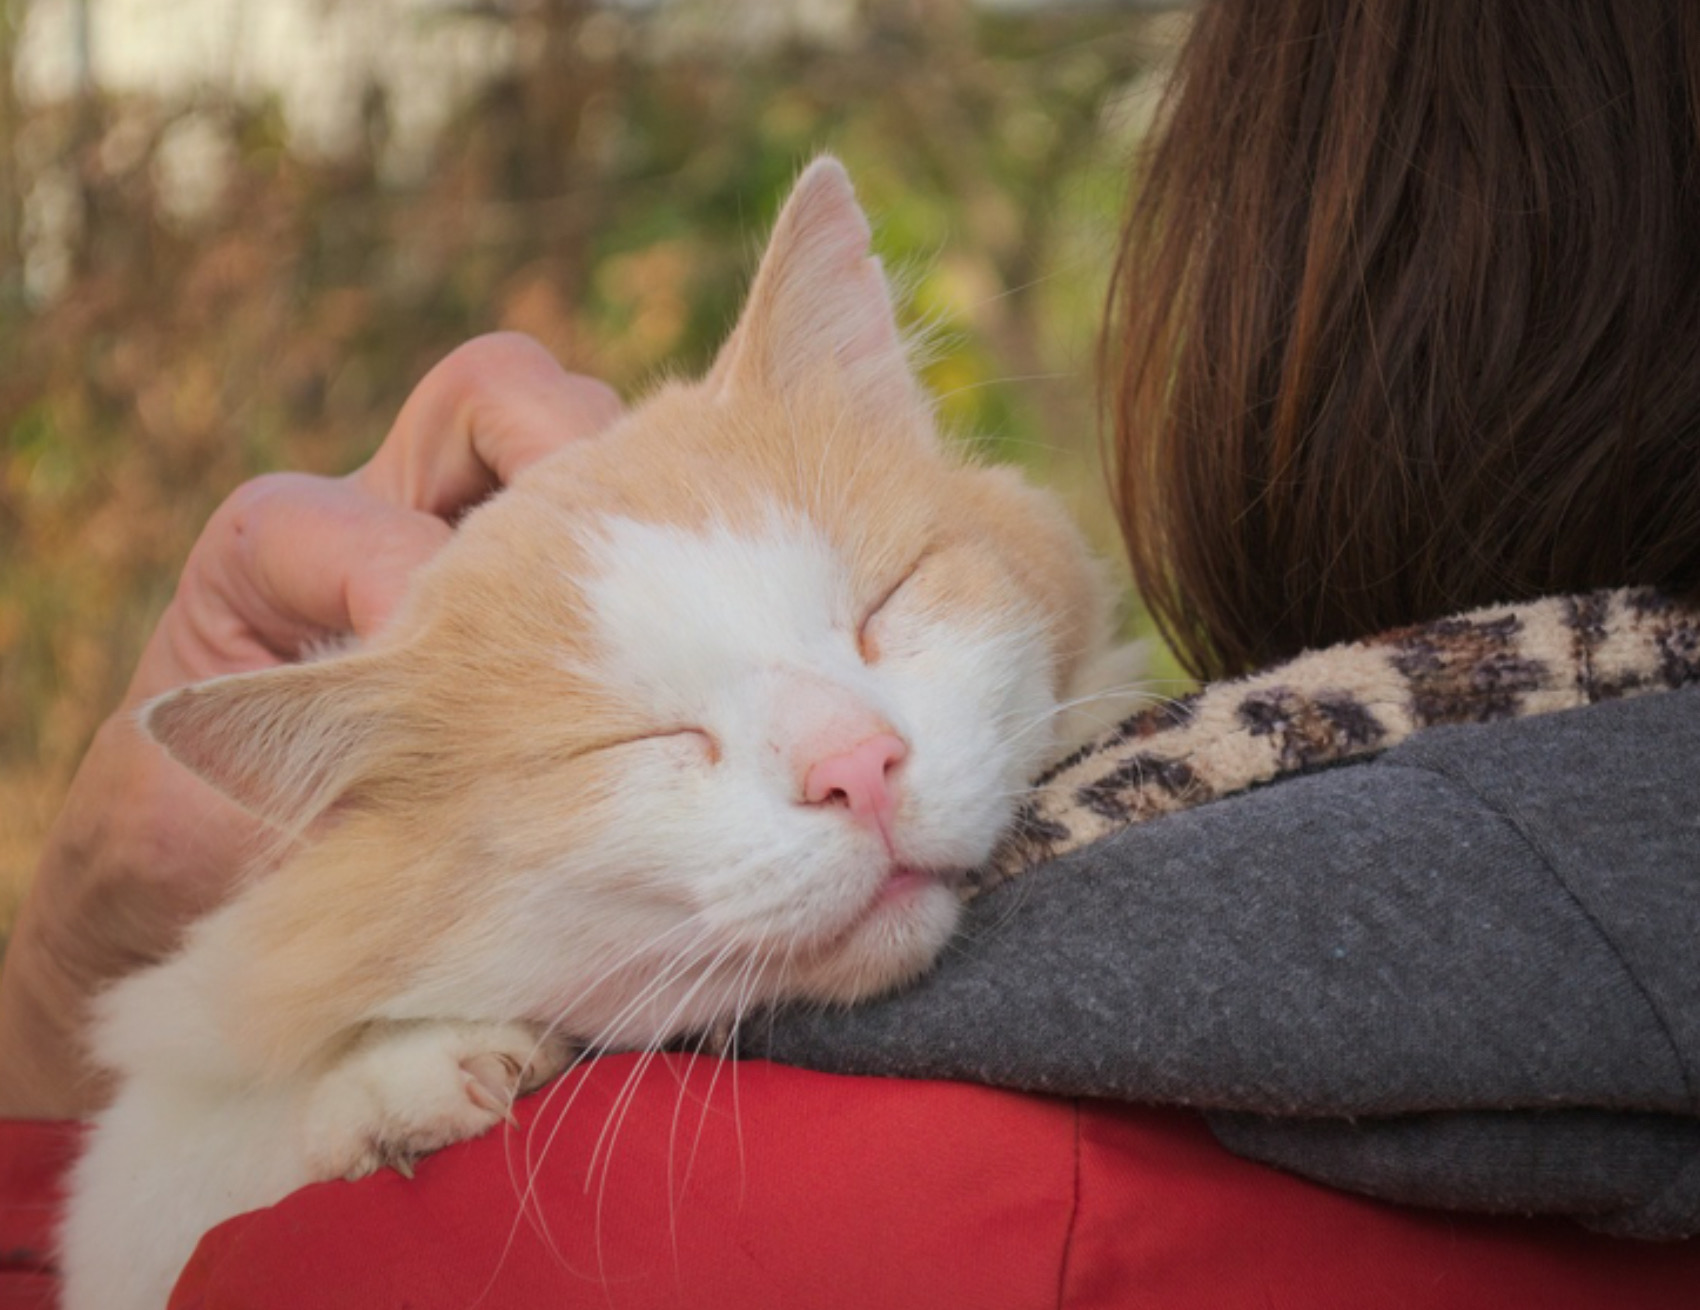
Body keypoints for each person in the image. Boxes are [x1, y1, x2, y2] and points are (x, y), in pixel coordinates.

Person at [3, 1, 1698, 1306]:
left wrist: (55, 989)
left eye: (884, 619)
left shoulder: (686, 1222)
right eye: (647, 746)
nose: (853, 754)